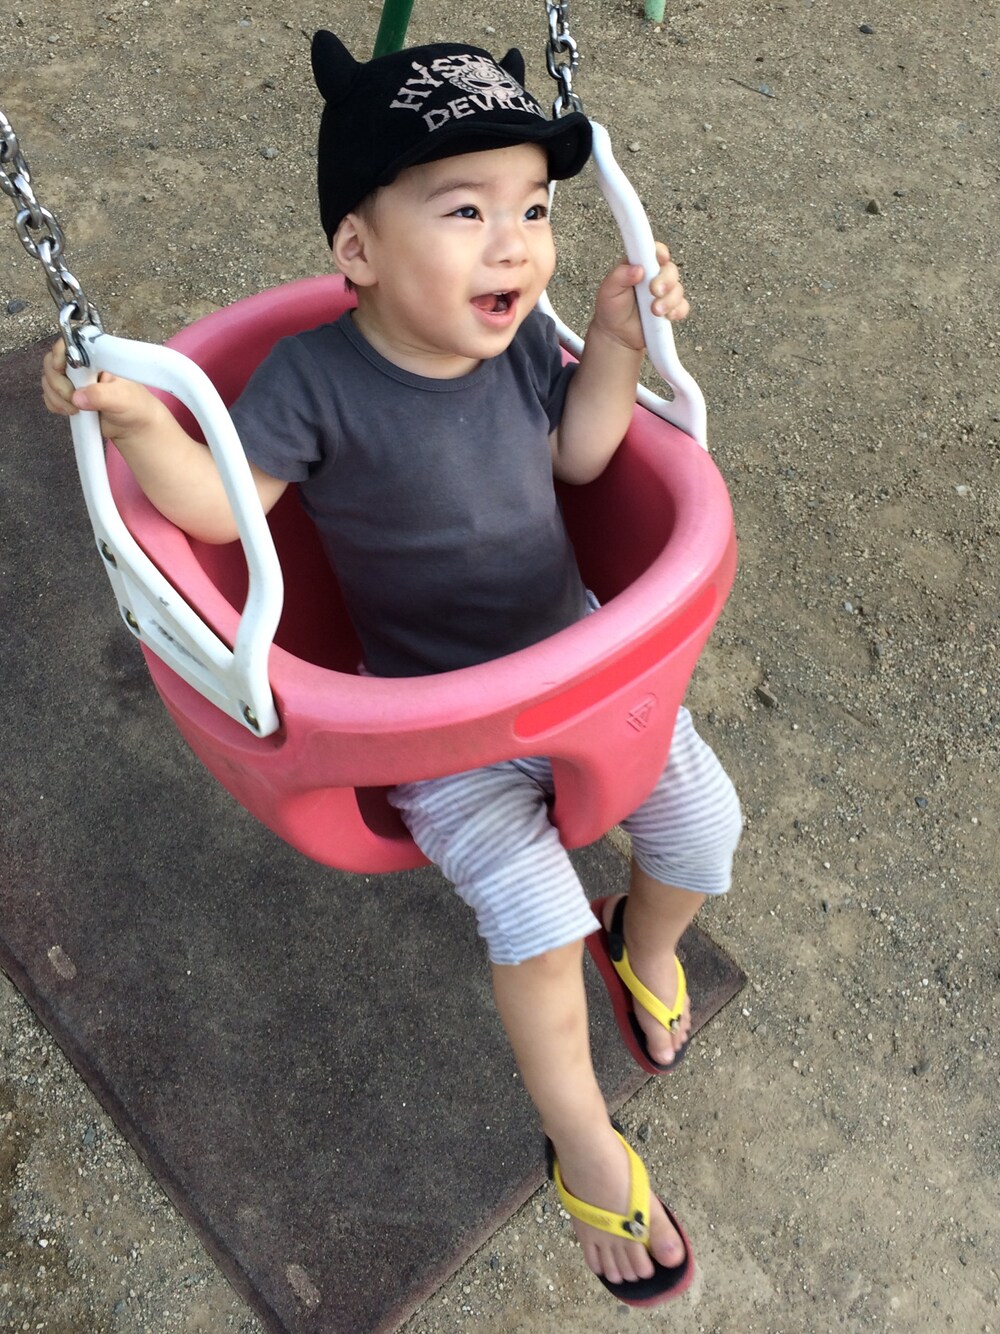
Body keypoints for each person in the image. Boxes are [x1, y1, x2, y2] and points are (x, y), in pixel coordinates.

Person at [43, 30, 741, 1307]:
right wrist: (138, 415)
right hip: (439, 726)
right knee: (534, 923)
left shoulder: (519, 343)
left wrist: (613, 342)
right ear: (359, 250)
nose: (513, 244)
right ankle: (584, 1141)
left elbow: (583, 460)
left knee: (705, 827)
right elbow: (217, 510)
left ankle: (643, 940)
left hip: (578, 662)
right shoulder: (314, 380)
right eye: (466, 210)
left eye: (534, 209)